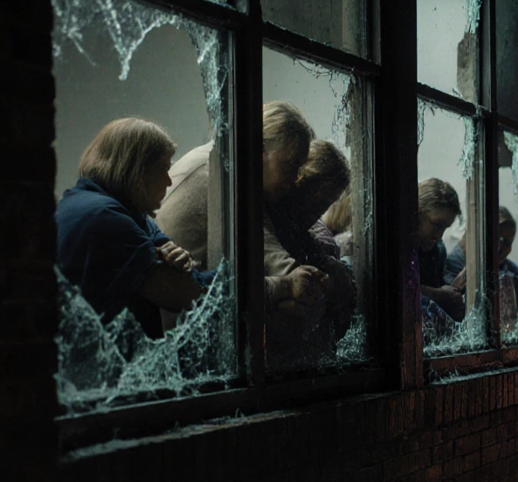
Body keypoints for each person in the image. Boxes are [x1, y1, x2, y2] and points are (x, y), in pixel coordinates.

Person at [155, 101, 328, 324]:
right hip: (183, 324)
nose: (296, 178)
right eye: (292, 164)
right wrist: (324, 283)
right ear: (261, 149)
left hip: (183, 311)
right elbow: (282, 268)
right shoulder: (226, 176)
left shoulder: (220, 158)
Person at [56, 117, 207, 340]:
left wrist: (177, 261)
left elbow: (174, 259)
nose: (168, 181)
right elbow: (182, 295)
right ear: (137, 171)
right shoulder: (105, 218)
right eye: (163, 169)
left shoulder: (126, 212)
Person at [264, 139, 357, 363]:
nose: (319, 211)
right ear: (299, 182)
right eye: (318, 200)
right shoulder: (270, 213)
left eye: (327, 204)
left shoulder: (302, 231)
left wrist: (335, 271)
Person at [444, 206, 518, 329]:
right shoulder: (450, 266)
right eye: (496, 239)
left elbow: (510, 324)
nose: (500, 248)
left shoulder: (514, 274)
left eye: (507, 243)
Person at [417, 178, 464, 323]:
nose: (439, 235)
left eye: (445, 228)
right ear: (417, 213)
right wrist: (439, 295)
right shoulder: (398, 248)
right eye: (436, 225)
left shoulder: (438, 249)